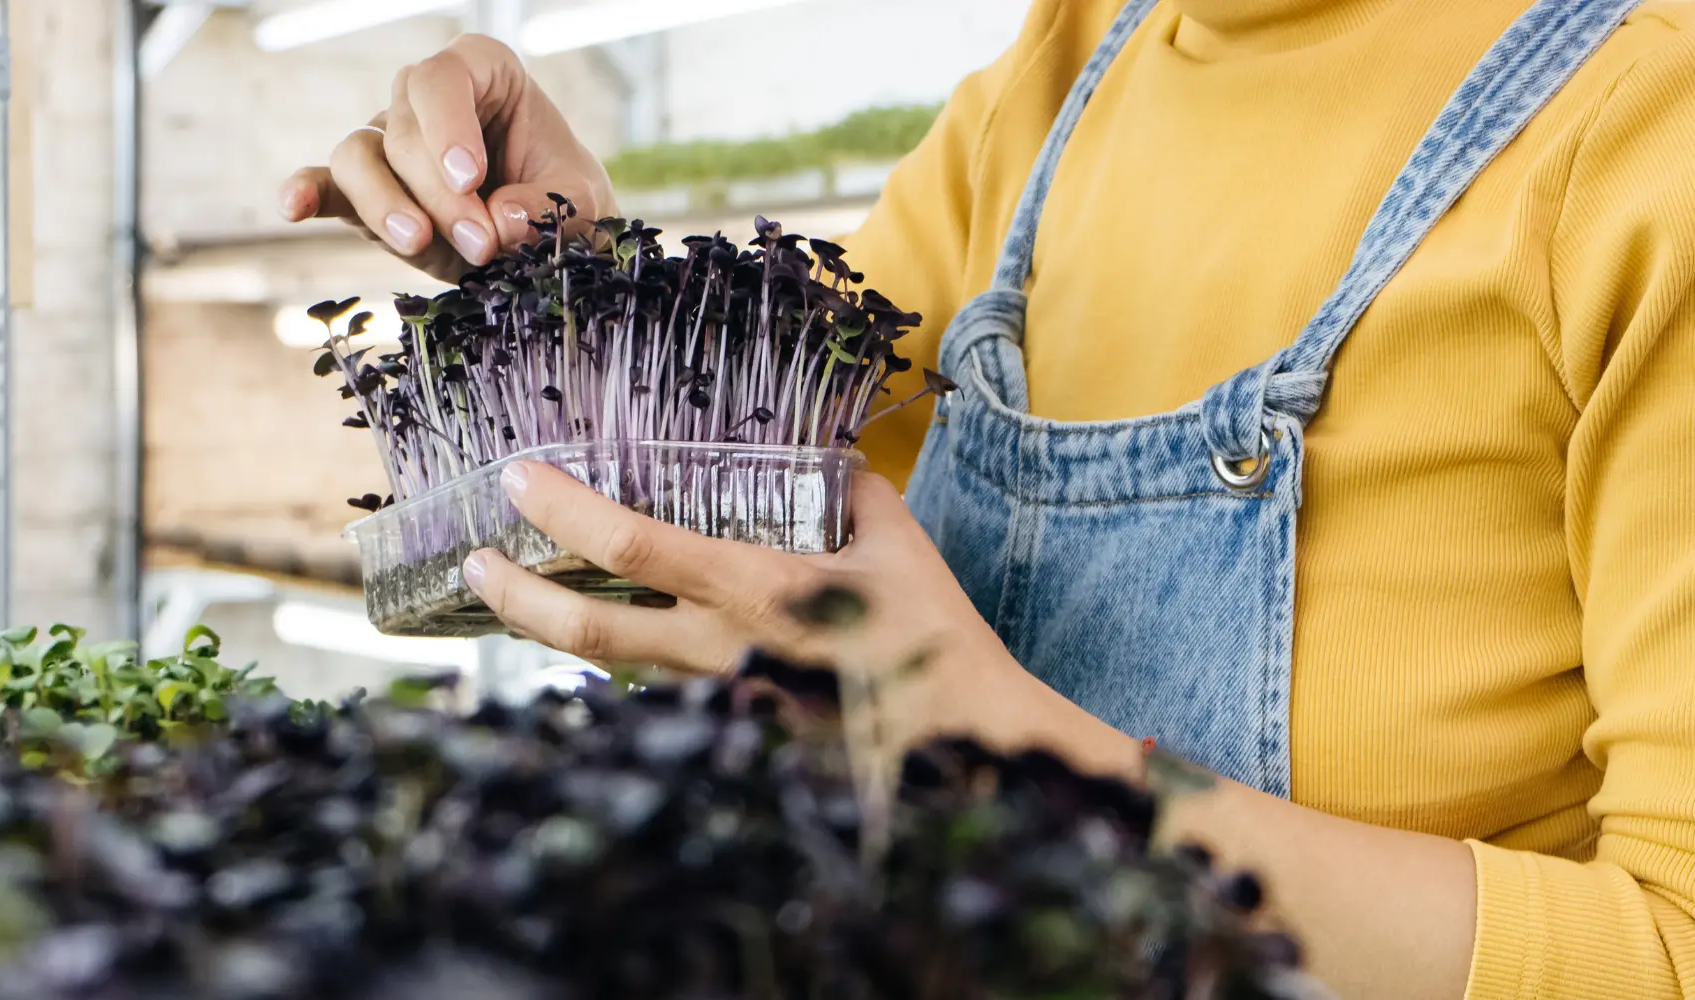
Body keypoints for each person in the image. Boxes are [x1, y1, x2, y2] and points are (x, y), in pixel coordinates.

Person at [278, 0, 1695, 996]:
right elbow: (769, 494)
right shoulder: (1065, 74)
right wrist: (577, 281)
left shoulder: (1645, 135)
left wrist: (1001, 753)